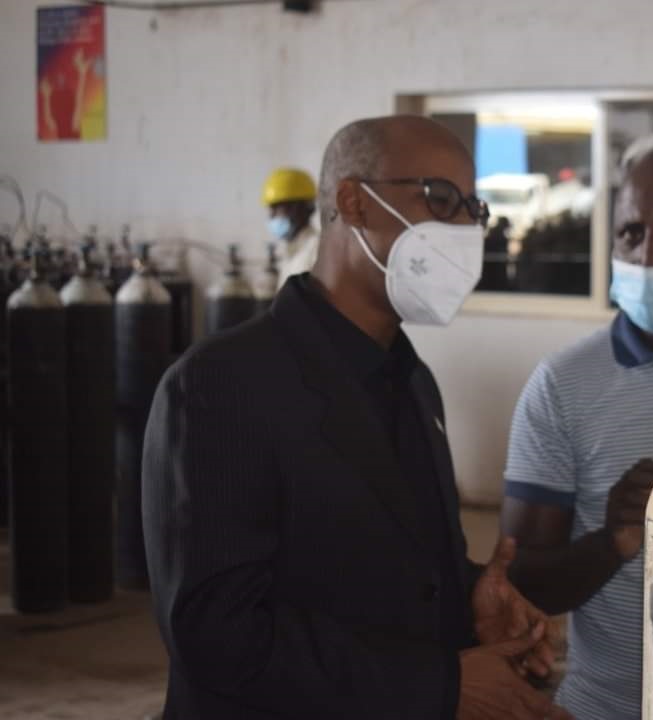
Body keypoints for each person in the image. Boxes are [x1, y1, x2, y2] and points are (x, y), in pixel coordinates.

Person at [143, 115, 570, 720]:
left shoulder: (413, 382)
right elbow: (216, 633)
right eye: (439, 198)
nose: (463, 228)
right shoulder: (221, 385)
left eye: (472, 209)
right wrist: (440, 687)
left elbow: (376, 563)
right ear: (353, 201)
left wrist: (468, 594)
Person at [500, 134, 653, 719]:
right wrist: (612, 541)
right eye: (631, 232)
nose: (647, 256)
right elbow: (522, 584)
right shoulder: (563, 384)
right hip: (607, 706)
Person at [261, 166, 319, 289]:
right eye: (271, 209)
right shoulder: (290, 254)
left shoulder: (317, 249)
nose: (272, 216)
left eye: (278, 208)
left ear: (302, 209)